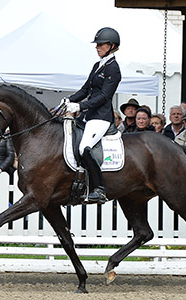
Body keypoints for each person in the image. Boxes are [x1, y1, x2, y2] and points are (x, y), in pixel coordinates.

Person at [63, 27, 121, 204]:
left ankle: (99, 189)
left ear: (111, 46)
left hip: (101, 117)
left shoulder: (113, 69)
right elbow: (86, 89)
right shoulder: (98, 66)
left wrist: (80, 106)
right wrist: (68, 100)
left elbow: (104, 96)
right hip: (89, 115)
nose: (97, 47)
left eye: (101, 44)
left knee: (84, 147)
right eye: (97, 44)